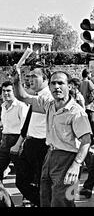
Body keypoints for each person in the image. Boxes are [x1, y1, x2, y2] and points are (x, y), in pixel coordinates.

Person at [11, 67, 92, 207]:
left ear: (69, 86)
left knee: (64, 200)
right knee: (46, 198)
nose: (57, 87)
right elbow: (23, 97)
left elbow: (86, 141)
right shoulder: (49, 104)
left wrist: (76, 165)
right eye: (53, 83)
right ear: (49, 86)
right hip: (50, 156)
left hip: (69, 158)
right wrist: (16, 80)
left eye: (61, 83)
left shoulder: (76, 112)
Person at [10, 67, 52, 207]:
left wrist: (16, 82)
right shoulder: (37, 95)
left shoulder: (48, 97)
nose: (30, 79)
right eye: (29, 76)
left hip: (43, 146)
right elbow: (22, 96)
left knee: (43, 184)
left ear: (45, 79)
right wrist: (16, 82)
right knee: (21, 181)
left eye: (34, 76)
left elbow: (22, 97)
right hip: (31, 143)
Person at [0, 81, 29, 182]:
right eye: (3, 91)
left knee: (22, 175)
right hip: (5, 141)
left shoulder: (21, 106)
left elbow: (25, 128)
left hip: (17, 141)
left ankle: (26, 197)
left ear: (14, 92)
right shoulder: (3, 106)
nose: (5, 93)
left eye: (8, 91)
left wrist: (18, 144)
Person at [80, 69, 94, 140]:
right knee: (92, 123)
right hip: (90, 105)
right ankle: (92, 139)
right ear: (88, 74)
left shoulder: (80, 82)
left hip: (82, 106)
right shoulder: (89, 82)